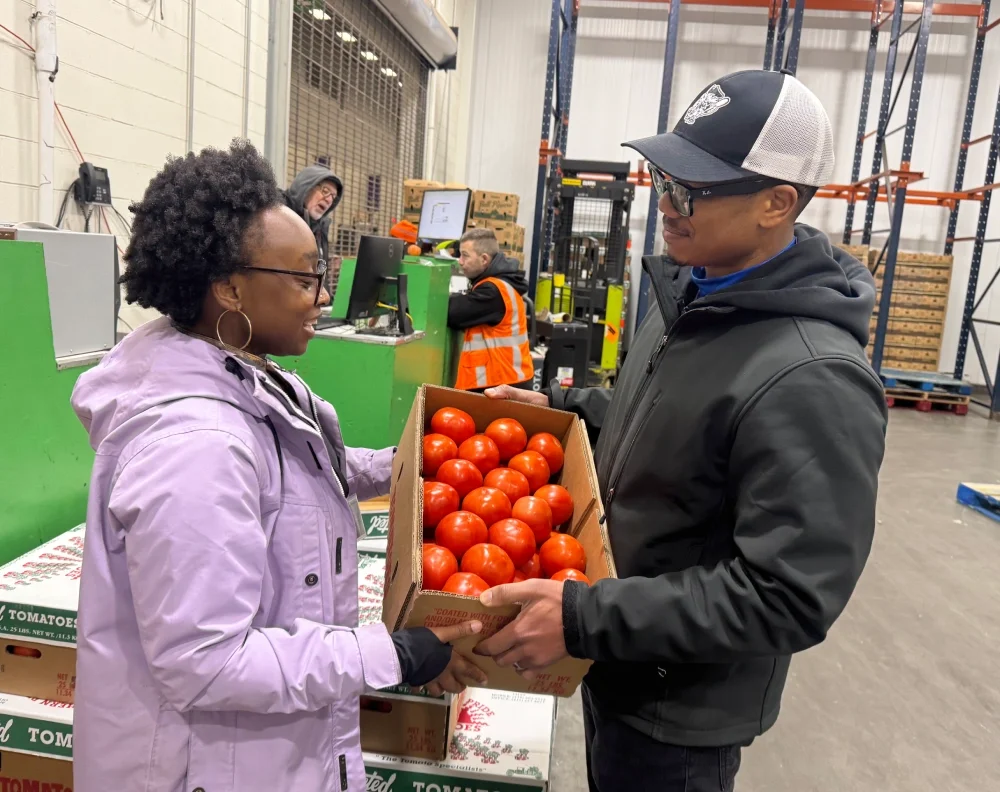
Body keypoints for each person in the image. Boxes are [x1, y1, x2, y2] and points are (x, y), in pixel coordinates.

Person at [474, 70, 887, 791]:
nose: (666, 204)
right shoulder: (691, 294)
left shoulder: (812, 375)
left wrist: (585, 617)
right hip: (615, 654)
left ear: (777, 202)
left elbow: (788, 595)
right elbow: (663, 428)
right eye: (663, 178)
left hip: (678, 709)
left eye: (690, 189)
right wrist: (560, 412)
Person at [71, 141, 485, 792]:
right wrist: (393, 653)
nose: (322, 296)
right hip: (205, 769)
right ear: (230, 286)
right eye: (304, 277)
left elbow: (298, 472)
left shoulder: (242, 375)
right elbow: (205, 661)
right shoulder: (195, 446)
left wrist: (437, 454)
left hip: (262, 754)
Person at [449, 228, 534, 392]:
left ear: (484, 259)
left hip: (501, 385)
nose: (460, 261)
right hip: (508, 380)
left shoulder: (493, 291)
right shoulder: (499, 284)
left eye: (465, 255)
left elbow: (453, 313)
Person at [284, 163, 343, 264]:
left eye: (333, 196)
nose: (329, 200)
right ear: (305, 187)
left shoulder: (321, 228)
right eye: (325, 191)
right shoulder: (277, 214)